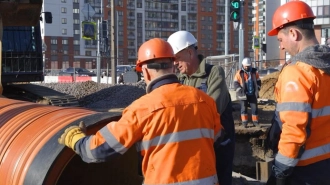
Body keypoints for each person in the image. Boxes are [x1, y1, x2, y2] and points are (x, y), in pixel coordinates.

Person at [58, 38, 224, 185]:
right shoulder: (205, 100)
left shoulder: (142, 109)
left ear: (145, 71)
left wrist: (77, 140)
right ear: (173, 65)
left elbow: (99, 150)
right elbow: (216, 136)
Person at [266, 1, 330, 185]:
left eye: (280, 40)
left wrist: (280, 172)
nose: (282, 47)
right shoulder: (325, 66)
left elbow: (294, 131)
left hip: (304, 169)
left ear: (293, 33)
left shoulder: (297, 73)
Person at [167, 30, 235, 185]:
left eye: (177, 58)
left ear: (190, 53)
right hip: (195, 143)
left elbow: (212, 108)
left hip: (218, 144)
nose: (175, 63)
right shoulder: (181, 80)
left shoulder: (213, 73)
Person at [233, 57, 261, 128]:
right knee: (243, 109)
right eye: (246, 66)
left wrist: (257, 88)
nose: (247, 67)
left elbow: (258, 81)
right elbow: (236, 83)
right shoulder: (239, 73)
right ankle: (244, 123)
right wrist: (240, 90)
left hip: (252, 94)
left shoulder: (254, 72)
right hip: (243, 94)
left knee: (254, 108)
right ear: (243, 65)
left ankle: (255, 122)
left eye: (248, 66)